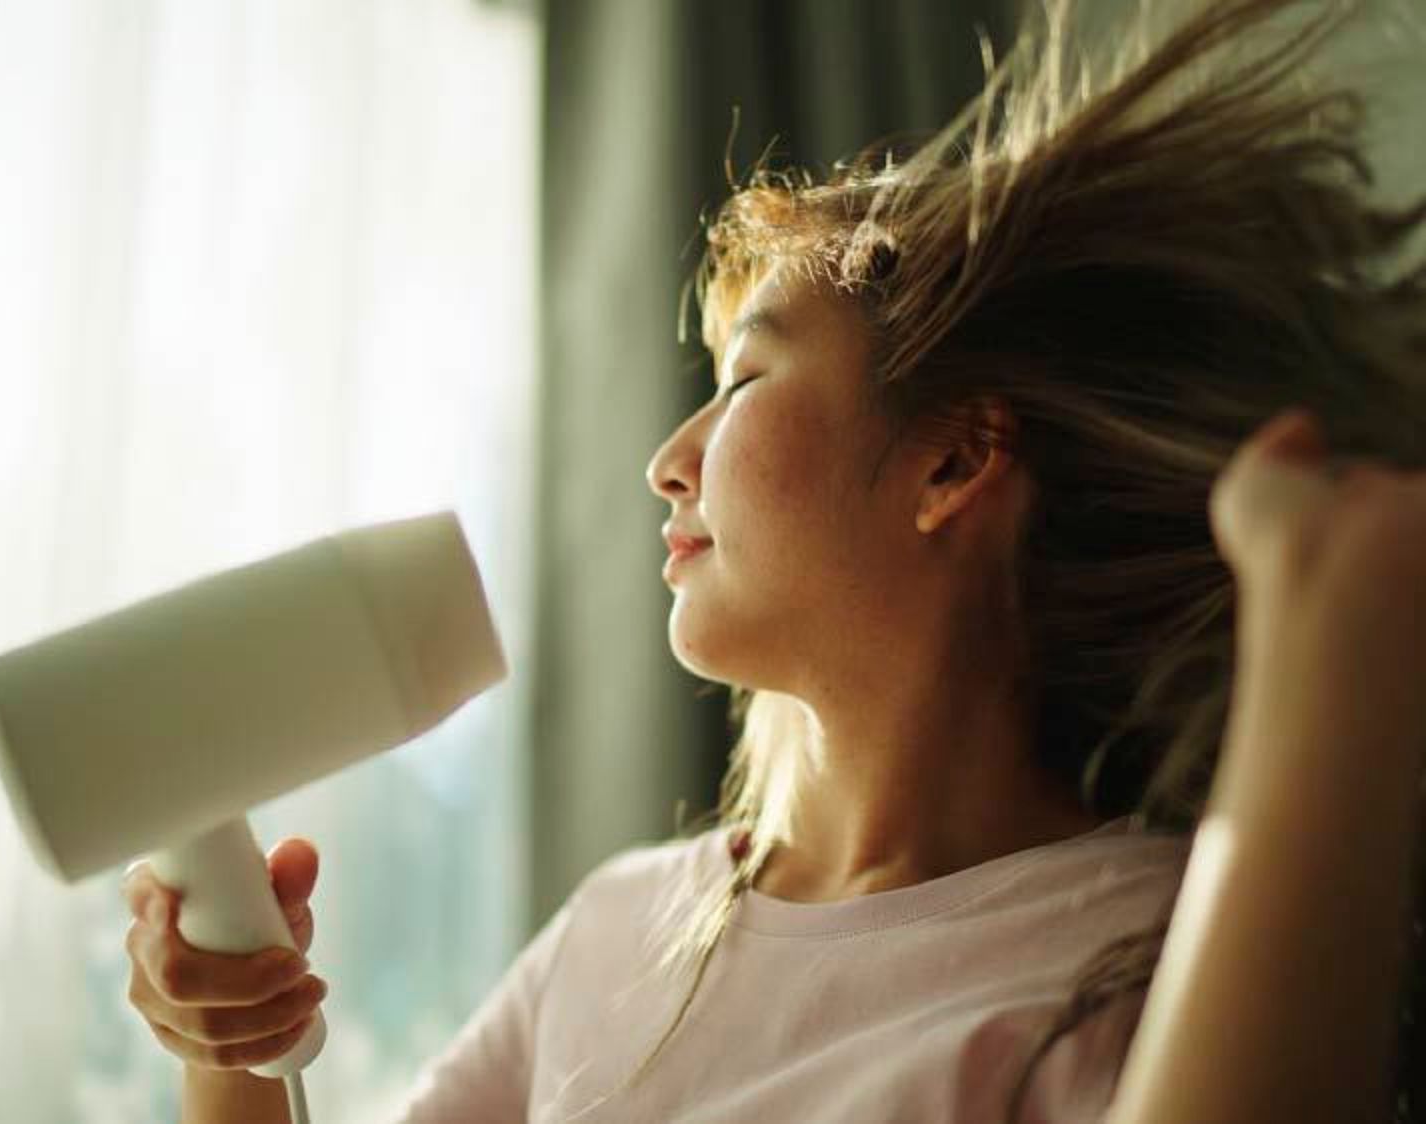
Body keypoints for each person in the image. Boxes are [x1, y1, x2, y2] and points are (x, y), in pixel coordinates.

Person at [121, 0, 1426, 1119]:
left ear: (955, 462)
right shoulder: (618, 929)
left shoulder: (1157, 952)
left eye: (744, 378)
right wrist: (226, 1057)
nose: (666, 461)